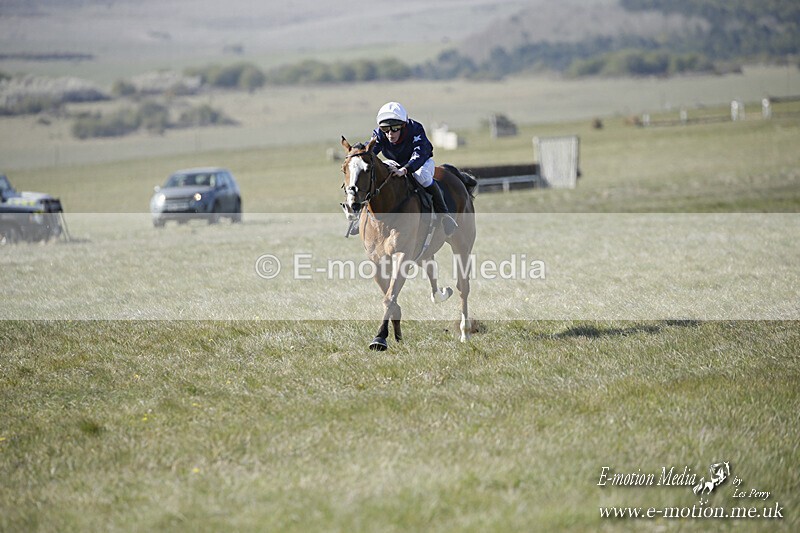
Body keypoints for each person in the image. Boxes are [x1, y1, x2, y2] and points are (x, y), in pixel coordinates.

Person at [371, 102, 457, 235]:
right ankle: (359, 216)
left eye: (395, 128)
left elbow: (419, 154)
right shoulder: (379, 134)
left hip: (421, 162)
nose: (390, 133)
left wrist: (404, 170)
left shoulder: (415, 129)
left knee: (421, 176)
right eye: (385, 129)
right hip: (395, 162)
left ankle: (445, 215)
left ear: (404, 125)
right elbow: (370, 152)